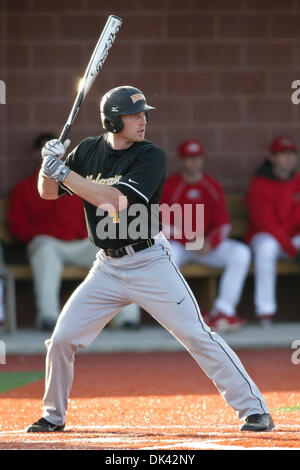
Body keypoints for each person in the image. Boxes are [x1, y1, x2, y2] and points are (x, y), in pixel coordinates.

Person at [27, 86, 274, 433]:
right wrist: (47, 167)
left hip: (149, 261)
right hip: (107, 267)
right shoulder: (88, 151)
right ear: (113, 121)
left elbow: (115, 201)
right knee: (62, 339)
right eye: (135, 115)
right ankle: (53, 416)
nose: (143, 121)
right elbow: (48, 193)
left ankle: (254, 409)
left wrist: (64, 173)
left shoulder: (150, 156)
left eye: (144, 114)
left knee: (197, 334)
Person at [8, 133, 98, 331]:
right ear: (36, 154)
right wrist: (45, 232)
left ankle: (127, 318)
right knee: (44, 250)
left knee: (110, 251)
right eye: (47, 151)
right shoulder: (24, 188)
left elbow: (95, 216)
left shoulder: (75, 183)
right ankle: (49, 318)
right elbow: (17, 227)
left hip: (80, 243)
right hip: (49, 244)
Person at [160, 139, 250, 332]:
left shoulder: (211, 185)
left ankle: (223, 311)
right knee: (166, 257)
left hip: (206, 246)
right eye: (189, 158)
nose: (194, 162)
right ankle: (179, 316)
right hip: (180, 245)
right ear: (182, 160)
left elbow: (224, 224)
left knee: (240, 253)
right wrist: (191, 240)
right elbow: (164, 225)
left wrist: (210, 242)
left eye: (197, 158)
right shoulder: (171, 186)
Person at [245, 136, 300, 326]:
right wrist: (293, 250)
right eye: (283, 154)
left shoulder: (298, 180)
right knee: (266, 247)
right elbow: (267, 225)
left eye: (292, 154)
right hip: (266, 237)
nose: (288, 158)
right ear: (273, 157)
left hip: (291, 238)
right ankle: (265, 311)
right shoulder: (260, 184)